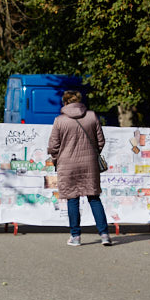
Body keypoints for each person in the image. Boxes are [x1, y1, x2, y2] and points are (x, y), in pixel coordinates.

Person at [46, 90, 111, 246]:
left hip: (67, 165)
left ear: (65, 102)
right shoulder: (92, 116)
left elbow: (53, 146)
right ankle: (104, 235)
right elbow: (101, 141)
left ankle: (75, 236)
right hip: (89, 164)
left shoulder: (60, 121)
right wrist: (92, 154)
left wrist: (56, 159)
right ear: (80, 101)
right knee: (94, 198)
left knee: (72, 199)